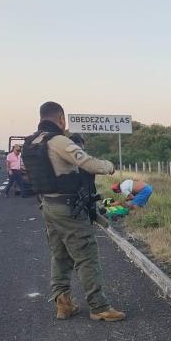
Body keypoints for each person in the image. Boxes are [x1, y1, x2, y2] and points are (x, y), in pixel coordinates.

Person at [22, 101, 125, 322]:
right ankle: (99, 307)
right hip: (68, 208)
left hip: (47, 205)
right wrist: (109, 166)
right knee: (86, 256)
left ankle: (64, 304)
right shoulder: (58, 141)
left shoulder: (31, 142)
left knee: (60, 256)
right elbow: (87, 163)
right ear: (61, 119)